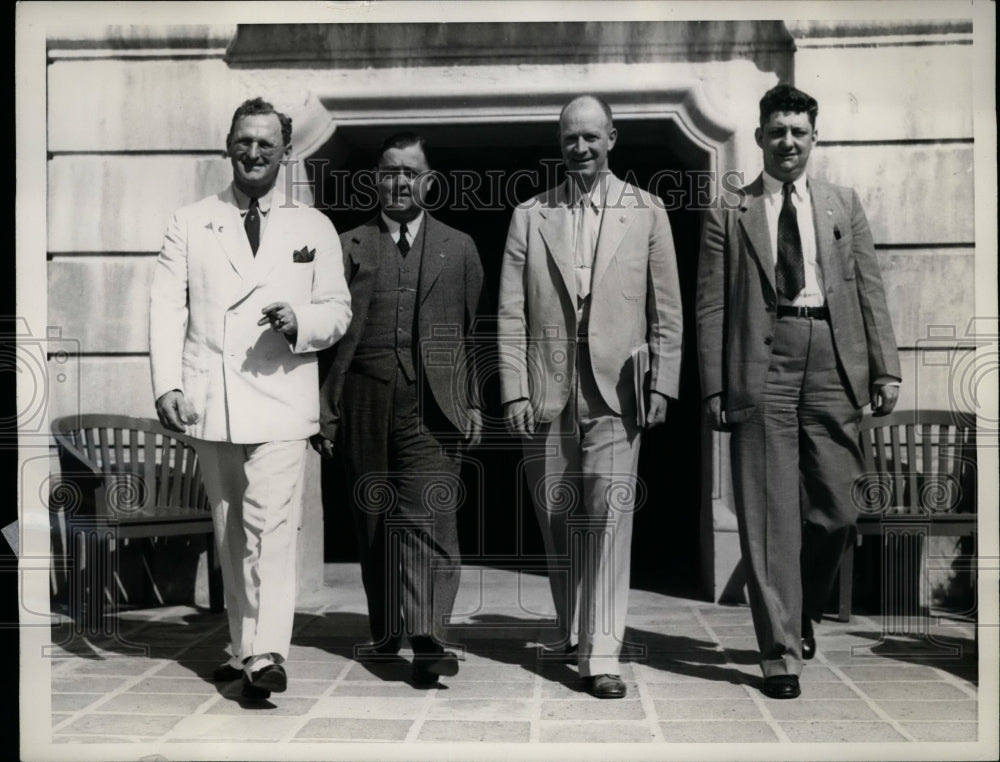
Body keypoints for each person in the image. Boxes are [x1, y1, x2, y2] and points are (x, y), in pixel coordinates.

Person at [696, 83, 901, 700]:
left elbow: (868, 288)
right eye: (777, 131)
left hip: (834, 361)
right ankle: (781, 652)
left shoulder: (842, 204)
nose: (788, 142)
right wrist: (714, 385)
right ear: (759, 138)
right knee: (767, 512)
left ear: (814, 138)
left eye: (799, 132)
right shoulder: (727, 211)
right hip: (764, 362)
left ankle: (800, 602)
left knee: (841, 507)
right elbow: (711, 305)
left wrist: (884, 368)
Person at [149, 97, 352, 700]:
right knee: (231, 527)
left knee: (272, 524)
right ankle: (242, 649)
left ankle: (266, 654)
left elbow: (338, 308)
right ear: (228, 145)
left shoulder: (312, 225)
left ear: (286, 151)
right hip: (214, 397)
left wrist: (300, 322)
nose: (255, 152)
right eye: (244, 141)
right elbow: (167, 307)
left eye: (267, 143)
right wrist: (168, 384)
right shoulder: (190, 220)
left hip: (282, 395)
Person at [497, 95, 683, 699]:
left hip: (617, 392)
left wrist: (663, 383)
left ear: (613, 137)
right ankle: (574, 629)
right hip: (546, 390)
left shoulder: (647, 212)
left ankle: (603, 654)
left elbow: (667, 311)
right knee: (558, 521)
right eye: (570, 138)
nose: (580, 148)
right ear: (560, 142)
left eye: (591, 137)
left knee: (608, 520)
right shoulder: (531, 213)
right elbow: (510, 313)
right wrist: (512, 390)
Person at [314, 133, 486, 686]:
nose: (399, 182)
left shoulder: (458, 247)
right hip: (364, 396)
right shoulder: (347, 245)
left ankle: (430, 635)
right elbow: (326, 338)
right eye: (389, 172)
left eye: (410, 172)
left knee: (430, 516)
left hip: (434, 403)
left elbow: (471, 331)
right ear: (376, 179)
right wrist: (326, 410)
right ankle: (387, 627)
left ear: (428, 180)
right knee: (373, 517)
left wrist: (473, 399)